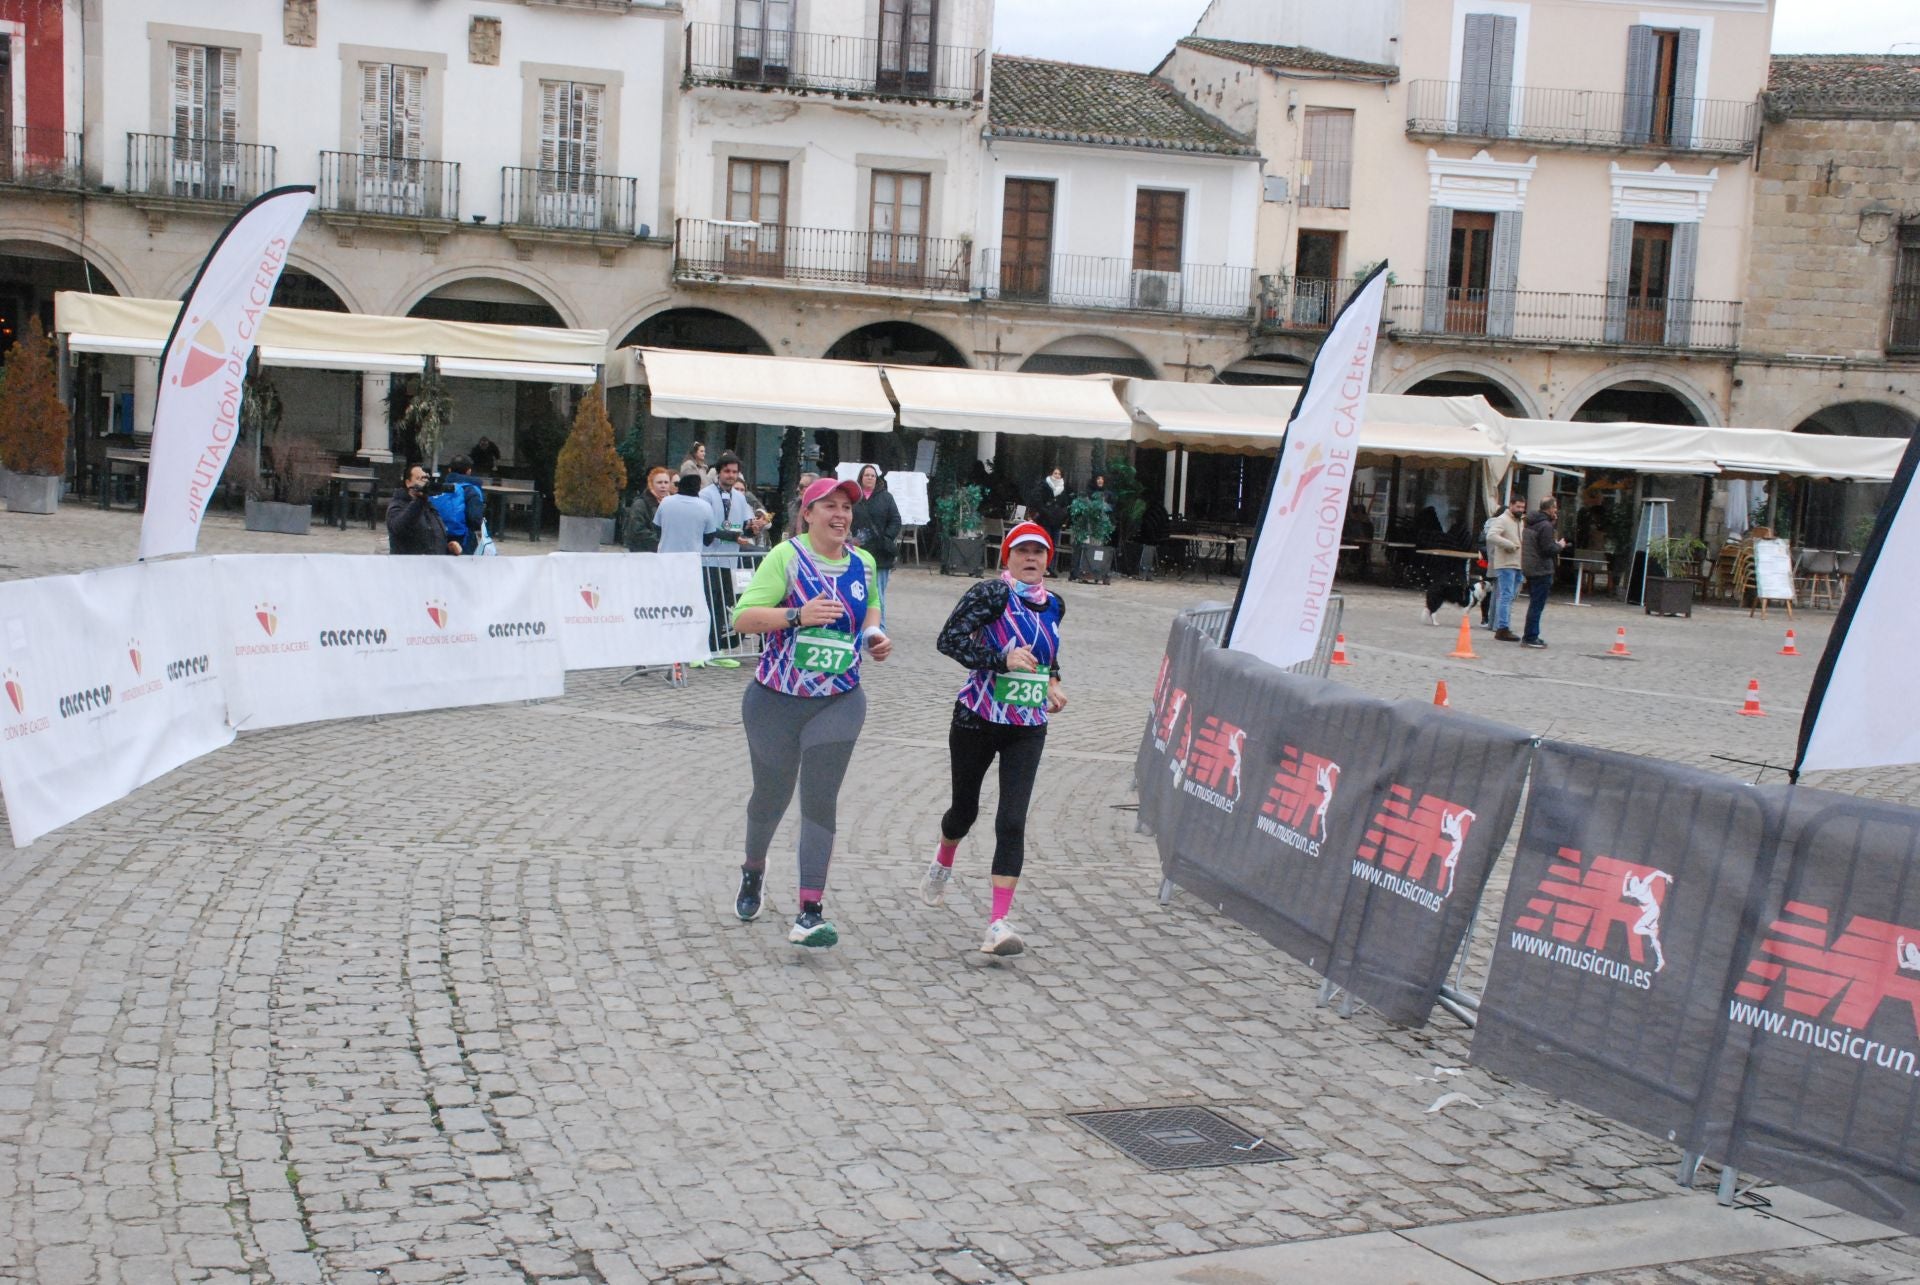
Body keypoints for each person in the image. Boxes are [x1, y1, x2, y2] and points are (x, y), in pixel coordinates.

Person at [728, 476, 891, 948]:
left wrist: (876, 638)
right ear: (809, 514)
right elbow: (742, 617)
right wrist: (796, 615)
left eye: (846, 507)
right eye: (830, 507)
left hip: (839, 700)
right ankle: (753, 870)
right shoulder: (787, 558)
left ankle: (809, 911)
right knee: (770, 796)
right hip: (775, 701)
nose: (841, 515)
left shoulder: (863, 562)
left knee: (820, 799)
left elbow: (872, 612)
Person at [922, 521, 1068, 956]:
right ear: (1006, 557)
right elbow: (948, 640)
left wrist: (1054, 681)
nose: (1030, 559)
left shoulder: (1055, 605)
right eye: (1021, 551)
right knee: (964, 811)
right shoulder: (991, 595)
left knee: (1012, 820)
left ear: (1048, 560)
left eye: (1038, 552)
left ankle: (997, 924)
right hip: (977, 718)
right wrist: (998, 659)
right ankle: (944, 858)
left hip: (1028, 723)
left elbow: (1047, 653)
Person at [851, 465, 902, 628]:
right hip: (858, 551)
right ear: (861, 477)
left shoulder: (886, 498)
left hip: (880, 554)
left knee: (878, 595)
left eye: (873, 476)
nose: (870, 478)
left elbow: (895, 520)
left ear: (877, 478)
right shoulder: (854, 498)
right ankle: (857, 625)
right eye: (866, 475)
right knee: (856, 592)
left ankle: (879, 628)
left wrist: (886, 538)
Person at [1521, 495, 1566, 649]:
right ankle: (1531, 636)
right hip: (1541, 569)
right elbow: (1547, 549)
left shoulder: (1531, 522)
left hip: (1531, 567)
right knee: (1537, 604)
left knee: (1534, 603)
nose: (1556, 510)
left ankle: (1531, 634)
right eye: (1554, 507)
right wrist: (1559, 546)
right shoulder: (1545, 526)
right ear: (1549, 508)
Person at [387, 464, 460, 556]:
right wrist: (420, 500)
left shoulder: (429, 506)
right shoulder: (398, 505)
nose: (424, 482)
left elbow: (433, 538)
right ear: (408, 482)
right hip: (408, 566)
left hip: (431, 566)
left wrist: (449, 549)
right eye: (419, 479)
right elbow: (399, 528)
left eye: (425, 478)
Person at [1486, 494, 1527, 641]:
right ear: (1511, 505)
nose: (1520, 510)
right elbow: (1491, 535)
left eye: (1522, 507)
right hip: (1506, 563)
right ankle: (1502, 627)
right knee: (1505, 595)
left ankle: (1505, 625)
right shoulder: (1502, 519)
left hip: (1518, 564)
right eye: (1518, 506)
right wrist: (1508, 544)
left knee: (1511, 597)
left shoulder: (1520, 521)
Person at [431, 455, 486, 554]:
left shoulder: (439, 488)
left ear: (449, 470)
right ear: (469, 471)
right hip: (462, 539)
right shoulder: (471, 489)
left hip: (437, 536)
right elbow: (475, 519)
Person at [654, 472, 718, 554]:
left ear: (680, 485)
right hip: (691, 559)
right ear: (698, 488)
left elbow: (657, 528)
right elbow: (709, 539)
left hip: (666, 557)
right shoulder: (705, 506)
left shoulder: (666, 502)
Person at [624, 466, 674, 553]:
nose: (663, 486)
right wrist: (661, 542)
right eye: (659, 482)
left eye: (666, 482)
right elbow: (637, 531)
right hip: (643, 553)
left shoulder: (672, 504)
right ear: (651, 484)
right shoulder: (640, 504)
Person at [1137, 495, 1170, 581]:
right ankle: (1149, 572)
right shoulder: (1162, 510)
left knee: (1147, 549)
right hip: (1161, 537)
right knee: (1150, 549)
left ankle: (1144, 572)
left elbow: (1146, 525)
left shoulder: (1150, 511)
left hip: (1152, 537)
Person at [787, 471, 819, 540]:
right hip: (794, 547)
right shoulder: (793, 506)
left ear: (813, 488)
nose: (798, 489)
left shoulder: (824, 509)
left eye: (801, 487)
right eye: (798, 486)